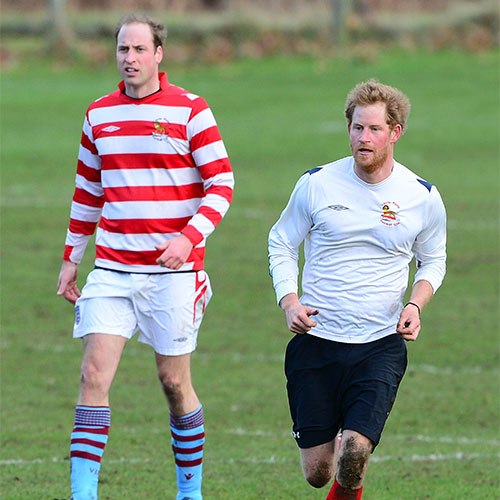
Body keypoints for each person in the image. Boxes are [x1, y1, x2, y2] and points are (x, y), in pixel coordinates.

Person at [56, 13, 234, 500]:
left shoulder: (191, 110)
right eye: (122, 50)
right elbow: (88, 190)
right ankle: (83, 495)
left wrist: (188, 237)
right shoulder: (99, 115)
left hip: (173, 272)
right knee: (93, 374)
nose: (129, 59)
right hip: (112, 268)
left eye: (138, 50)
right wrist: (73, 256)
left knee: (174, 383)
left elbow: (221, 183)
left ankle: (189, 492)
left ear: (159, 54)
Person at [268, 79, 446, 500]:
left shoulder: (421, 196)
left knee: (355, 453)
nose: (363, 138)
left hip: (379, 344)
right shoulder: (316, 184)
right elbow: (281, 241)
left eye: (374, 130)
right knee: (318, 472)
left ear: (395, 132)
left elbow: (433, 259)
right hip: (316, 341)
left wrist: (416, 304)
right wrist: (288, 299)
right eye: (357, 128)